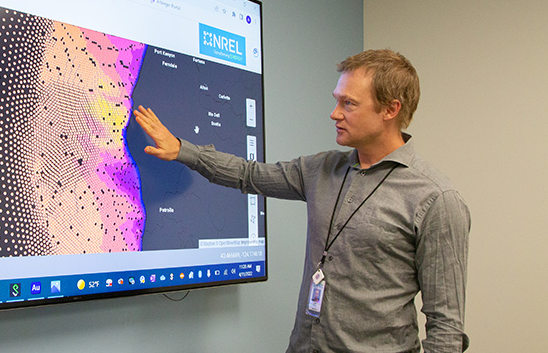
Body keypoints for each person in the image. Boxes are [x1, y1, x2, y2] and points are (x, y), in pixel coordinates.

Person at [133, 49, 470, 353]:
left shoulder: (435, 199)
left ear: (390, 109)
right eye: (337, 101)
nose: (334, 113)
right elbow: (249, 175)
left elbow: (446, 329)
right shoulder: (323, 169)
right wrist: (182, 150)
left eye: (349, 104)